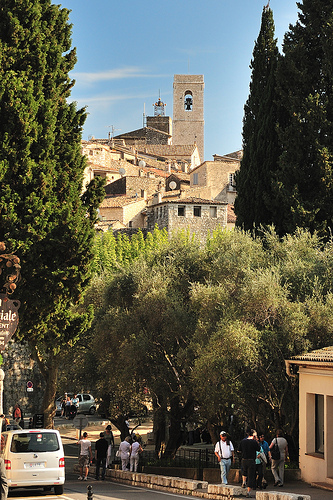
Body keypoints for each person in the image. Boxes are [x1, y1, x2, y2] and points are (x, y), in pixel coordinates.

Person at [238, 429, 260, 498]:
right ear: (253, 435)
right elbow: (258, 449)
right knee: (250, 476)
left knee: (244, 471)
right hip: (251, 460)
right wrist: (256, 441)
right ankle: (249, 492)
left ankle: (244, 482)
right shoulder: (254, 442)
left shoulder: (243, 441)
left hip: (244, 459)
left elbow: (238, 450)